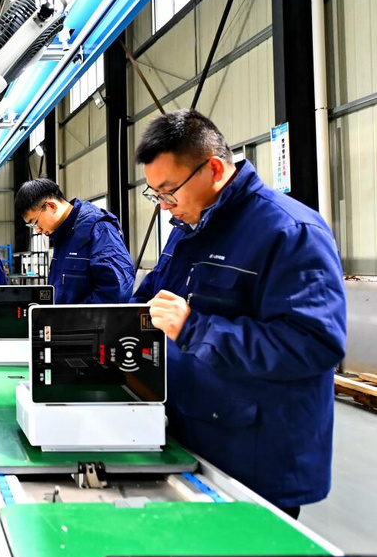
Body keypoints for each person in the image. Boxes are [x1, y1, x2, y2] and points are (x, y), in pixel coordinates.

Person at [132, 109, 346, 517]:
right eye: (155, 194)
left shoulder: (290, 231)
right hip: (190, 438)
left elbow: (314, 344)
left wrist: (194, 329)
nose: (164, 206)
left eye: (169, 191)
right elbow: (151, 297)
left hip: (252, 456)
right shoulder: (189, 230)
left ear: (213, 169)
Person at [15, 178, 134, 304]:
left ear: (51, 206)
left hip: (88, 317)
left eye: (35, 222)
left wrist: (76, 315)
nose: (37, 230)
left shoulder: (99, 229)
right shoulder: (62, 235)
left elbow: (116, 290)